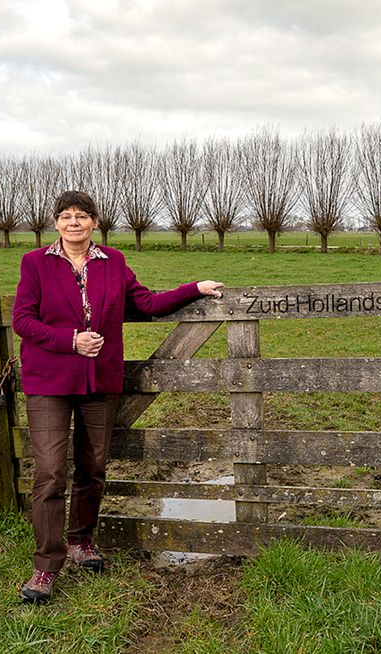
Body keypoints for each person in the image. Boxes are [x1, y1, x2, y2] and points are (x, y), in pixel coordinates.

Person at [12, 190, 223, 603]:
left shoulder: (115, 262)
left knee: (92, 467)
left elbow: (146, 303)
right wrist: (70, 341)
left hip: (98, 383)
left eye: (82, 216)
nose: (74, 223)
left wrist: (194, 287)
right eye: (66, 216)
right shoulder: (35, 263)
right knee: (50, 472)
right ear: (56, 224)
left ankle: (80, 541)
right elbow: (23, 319)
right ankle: (45, 566)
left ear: (94, 222)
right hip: (49, 382)